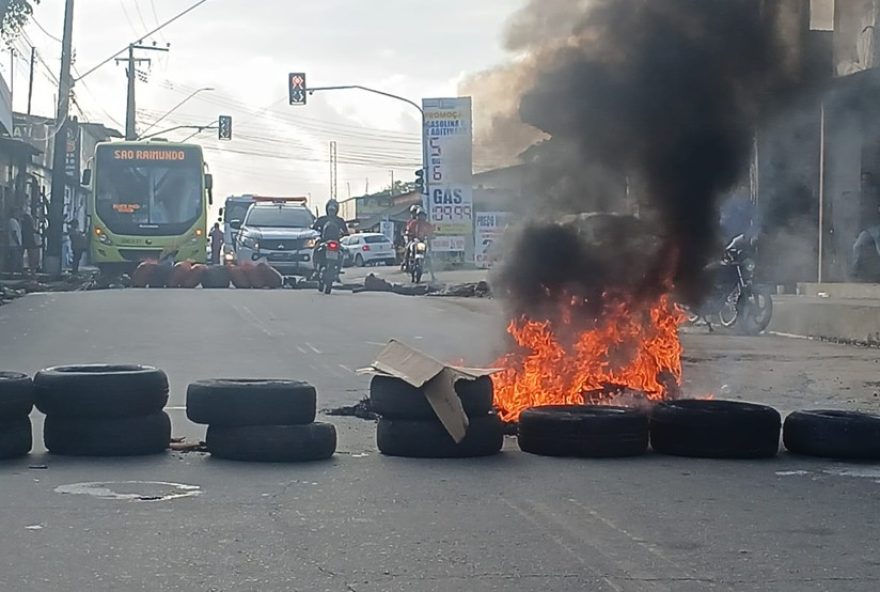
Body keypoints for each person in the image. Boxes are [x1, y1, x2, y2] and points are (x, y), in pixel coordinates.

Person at [312, 200, 349, 276]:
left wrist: (344, 234)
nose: (331, 212)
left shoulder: (340, 220)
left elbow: (346, 232)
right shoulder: (321, 219)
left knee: (342, 252)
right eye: (330, 210)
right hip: (323, 241)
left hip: (336, 241)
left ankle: (337, 270)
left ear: (336, 210)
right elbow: (314, 229)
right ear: (327, 209)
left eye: (333, 210)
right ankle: (316, 269)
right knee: (316, 250)